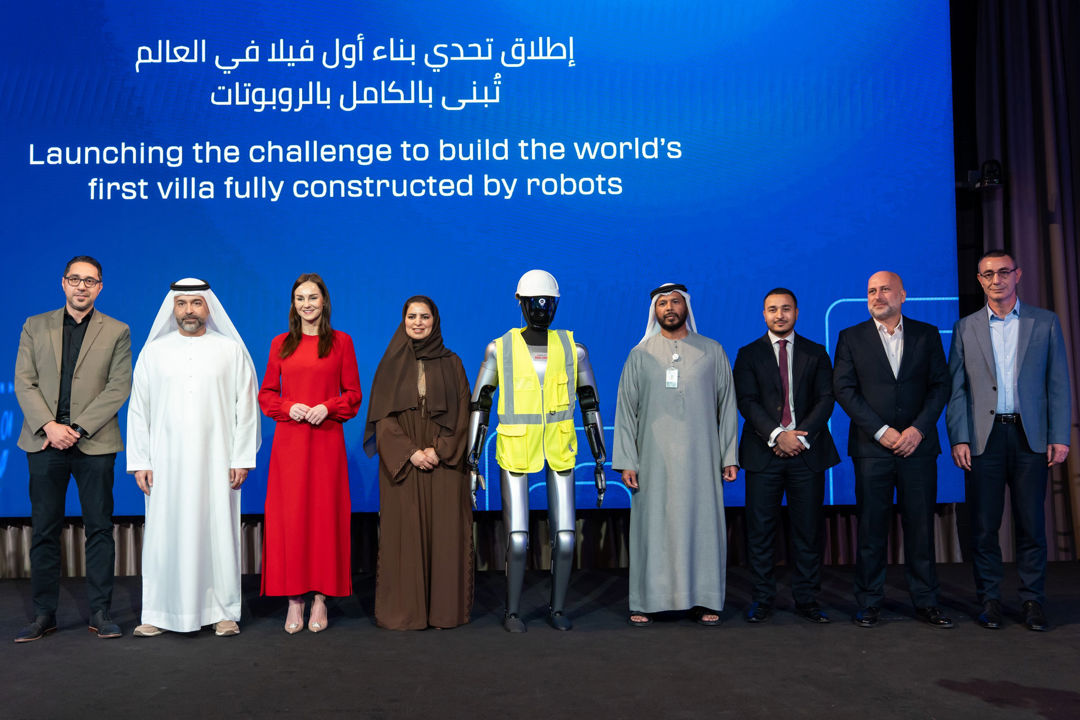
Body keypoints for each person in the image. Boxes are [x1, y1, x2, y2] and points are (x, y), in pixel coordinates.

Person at [464, 270, 607, 632]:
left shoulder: (574, 350)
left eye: (548, 302)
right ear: (520, 303)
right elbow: (480, 404)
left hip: (559, 446)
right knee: (517, 539)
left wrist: (600, 459)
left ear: (556, 303)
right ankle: (512, 611)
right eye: (534, 302)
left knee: (565, 538)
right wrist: (472, 460)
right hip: (516, 447)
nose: (541, 308)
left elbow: (590, 402)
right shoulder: (499, 349)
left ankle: (557, 608)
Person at [126, 278, 260, 637]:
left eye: (196, 303)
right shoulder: (154, 352)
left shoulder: (230, 350)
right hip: (165, 464)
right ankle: (158, 612)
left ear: (208, 307)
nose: (189, 310)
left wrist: (241, 457)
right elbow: (139, 410)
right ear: (173, 307)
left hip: (217, 462)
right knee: (164, 533)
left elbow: (246, 408)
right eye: (182, 303)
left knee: (218, 532)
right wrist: (140, 461)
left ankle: (223, 612)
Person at [946, 250, 1071, 631]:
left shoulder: (1044, 322)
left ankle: (1032, 600)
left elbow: (1057, 384)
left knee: (1031, 524)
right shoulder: (965, 327)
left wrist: (1059, 435)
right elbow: (957, 389)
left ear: (1018, 275)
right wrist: (959, 437)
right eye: (988, 274)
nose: (996, 280)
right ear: (979, 280)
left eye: (1003, 272)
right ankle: (990, 599)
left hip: (1029, 436)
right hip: (983, 438)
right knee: (984, 526)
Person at [13, 256, 131, 642]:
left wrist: (77, 429)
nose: (82, 286)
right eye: (75, 279)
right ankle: (43, 614)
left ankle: (100, 612)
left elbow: (118, 386)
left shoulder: (117, 330)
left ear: (100, 287)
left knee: (99, 528)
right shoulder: (34, 325)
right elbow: (24, 381)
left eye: (90, 281)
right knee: (45, 530)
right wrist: (50, 426)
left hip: (94, 442)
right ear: (63, 283)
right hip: (44, 440)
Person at [612, 283, 738, 627]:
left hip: (702, 460)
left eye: (675, 302)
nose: (669, 308)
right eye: (662, 303)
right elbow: (626, 411)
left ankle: (705, 599)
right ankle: (647, 601)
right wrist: (627, 460)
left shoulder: (712, 351)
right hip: (654, 461)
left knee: (702, 527)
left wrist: (729, 455)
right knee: (653, 528)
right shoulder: (640, 354)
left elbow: (727, 406)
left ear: (686, 307)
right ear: (654, 310)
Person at [833, 271, 952, 628]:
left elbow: (940, 386)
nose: (877, 296)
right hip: (872, 449)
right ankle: (870, 602)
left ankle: (926, 601)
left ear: (903, 295)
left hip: (918, 448)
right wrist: (881, 431)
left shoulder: (926, 334)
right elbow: (844, 389)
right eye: (871, 290)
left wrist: (918, 429)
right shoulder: (850, 337)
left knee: (921, 528)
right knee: (871, 529)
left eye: (885, 289)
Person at [259, 274, 362, 633]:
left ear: (324, 301)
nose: (307, 304)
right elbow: (267, 394)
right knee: (291, 519)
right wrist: (288, 407)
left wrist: (328, 407)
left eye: (313, 297)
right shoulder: (280, 343)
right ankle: (294, 600)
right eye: (300, 298)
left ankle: (320, 598)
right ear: (293, 304)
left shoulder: (341, 342)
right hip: (290, 443)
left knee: (323, 517)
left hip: (326, 441)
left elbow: (353, 395)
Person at [364, 296, 473, 630]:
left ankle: (444, 612)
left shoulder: (453, 363)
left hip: (445, 464)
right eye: (412, 316)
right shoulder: (390, 364)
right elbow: (382, 419)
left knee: (445, 536)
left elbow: (463, 412)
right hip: (404, 464)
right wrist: (411, 452)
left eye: (425, 316)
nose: (418, 322)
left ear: (434, 321)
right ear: (404, 320)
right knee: (405, 537)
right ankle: (406, 613)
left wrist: (439, 450)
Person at [733, 288, 839, 624]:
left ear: (796, 312)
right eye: (772, 309)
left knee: (807, 531)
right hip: (763, 454)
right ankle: (762, 598)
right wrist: (778, 435)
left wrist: (799, 438)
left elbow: (826, 399)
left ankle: (807, 599)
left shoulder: (816, 352)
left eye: (786, 309)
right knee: (760, 531)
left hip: (807, 454)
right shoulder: (748, 354)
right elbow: (746, 401)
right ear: (764, 314)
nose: (779, 315)